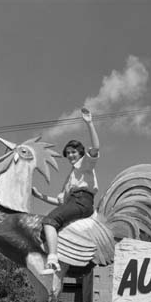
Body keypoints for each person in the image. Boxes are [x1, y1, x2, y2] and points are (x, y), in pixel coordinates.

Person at [32, 107, 100, 272]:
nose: (70, 155)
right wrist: (39, 196)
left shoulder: (85, 164)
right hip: (73, 202)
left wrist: (89, 123)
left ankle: (53, 259)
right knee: (47, 227)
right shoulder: (70, 177)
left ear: (80, 153)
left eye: (73, 152)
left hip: (82, 201)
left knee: (49, 221)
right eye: (68, 153)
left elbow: (96, 147)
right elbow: (61, 202)